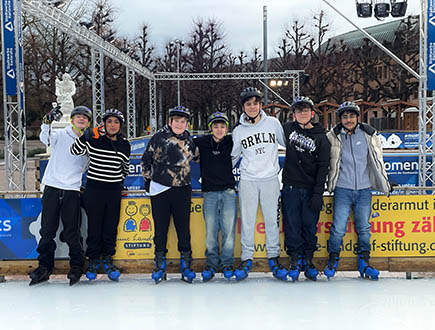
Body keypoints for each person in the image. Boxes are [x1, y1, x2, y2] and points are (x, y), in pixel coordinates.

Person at [325, 101, 391, 281]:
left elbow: (378, 159)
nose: (348, 120)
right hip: (342, 189)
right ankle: (333, 259)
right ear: (340, 119)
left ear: (357, 117)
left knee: (364, 228)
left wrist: (383, 181)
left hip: (364, 189)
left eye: (351, 116)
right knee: (338, 228)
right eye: (345, 117)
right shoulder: (333, 136)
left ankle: (364, 261)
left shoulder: (368, 134)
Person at [29, 105, 92, 286]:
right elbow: (45, 138)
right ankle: (44, 267)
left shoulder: (89, 141)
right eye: (78, 117)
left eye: (85, 118)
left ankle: (77, 266)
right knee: (47, 230)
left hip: (72, 189)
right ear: (72, 119)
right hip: (53, 187)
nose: (81, 119)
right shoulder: (61, 135)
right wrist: (47, 122)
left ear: (88, 122)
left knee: (72, 231)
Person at [231, 87, 287, 281]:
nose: (252, 107)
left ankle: (274, 257)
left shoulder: (273, 123)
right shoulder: (238, 131)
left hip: (270, 179)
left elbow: (289, 143)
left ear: (261, 105)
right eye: (248, 104)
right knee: (247, 221)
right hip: (248, 180)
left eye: (255, 103)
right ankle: (247, 259)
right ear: (243, 107)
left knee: (272, 220)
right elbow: (232, 157)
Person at [71, 109, 131, 282]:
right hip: (94, 190)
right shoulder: (94, 140)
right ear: (104, 124)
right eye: (110, 121)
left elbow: (125, 167)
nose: (113, 125)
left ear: (120, 126)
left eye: (116, 122)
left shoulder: (124, 144)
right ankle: (93, 261)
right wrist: (85, 136)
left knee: (111, 227)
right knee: (95, 227)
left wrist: (118, 181)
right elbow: (75, 150)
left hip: (113, 190)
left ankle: (108, 260)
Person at [141, 106, 199, 284]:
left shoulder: (190, 141)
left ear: (187, 124)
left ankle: (186, 265)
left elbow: (197, 159)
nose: (179, 124)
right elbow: (146, 160)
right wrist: (149, 180)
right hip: (160, 189)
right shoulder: (159, 138)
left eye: (183, 122)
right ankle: (160, 265)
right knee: (161, 228)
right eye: (176, 121)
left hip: (182, 189)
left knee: (183, 228)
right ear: (170, 122)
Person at [281, 97, 330, 282]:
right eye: (299, 111)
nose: (302, 114)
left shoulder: (321, 137)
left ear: (312, 113)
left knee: (309, 225)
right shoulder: (288, 129)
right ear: (294, 115)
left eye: (306, 110)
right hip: (291, 187)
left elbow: (324, 166)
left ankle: (308, 260)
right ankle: (294, 259)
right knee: (292, 225)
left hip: (310, 189)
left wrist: (318, 193)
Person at [193, 112, 237, 282]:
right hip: (210, 192)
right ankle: (211, 264)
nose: (219, 129)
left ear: (227, 128)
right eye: (216, 126)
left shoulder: (231, 141)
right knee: (211, 231)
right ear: (210, 128)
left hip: (228, 192)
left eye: (222, 126)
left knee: (228, 232)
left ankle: (227, 264)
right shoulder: (202, 142)